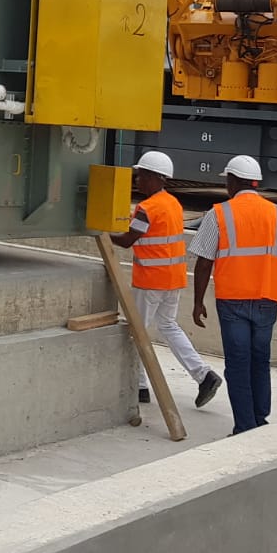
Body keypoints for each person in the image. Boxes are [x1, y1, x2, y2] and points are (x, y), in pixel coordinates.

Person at [189, 155, 277, 435]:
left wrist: (198, 301)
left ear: (233, 181)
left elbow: (204, 262)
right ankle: (259, 421)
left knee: (238, 364)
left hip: (232, 300)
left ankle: (245, 426)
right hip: (267, 299)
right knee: (260, 361)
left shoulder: (219, 213)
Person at [108, 151, 223, 409]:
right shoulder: (172, 203)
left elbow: (127, 240)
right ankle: (204, 375)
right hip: (173, 279)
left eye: (141, 176)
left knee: (136, 332)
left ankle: (139, 387)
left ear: (154, 177)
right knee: (168, 326)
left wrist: (101, 231)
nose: (137, 180)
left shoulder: (147, 209)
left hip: (150, 281)